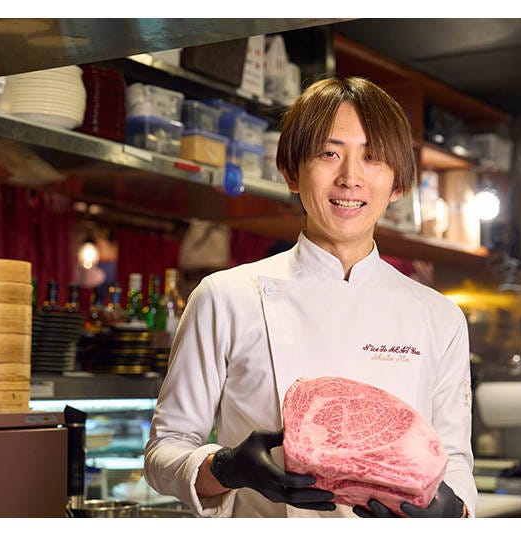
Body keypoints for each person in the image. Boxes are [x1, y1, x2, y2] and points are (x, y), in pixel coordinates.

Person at [143, 76, 477, 518]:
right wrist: (227, 467)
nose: (350, 178)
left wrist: (453, 512)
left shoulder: (439, 316)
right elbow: (163, 452)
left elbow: (454, 460)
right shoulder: (225, 297)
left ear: (397, 184)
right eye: (328, 154)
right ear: (291, 172)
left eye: (373, 157)